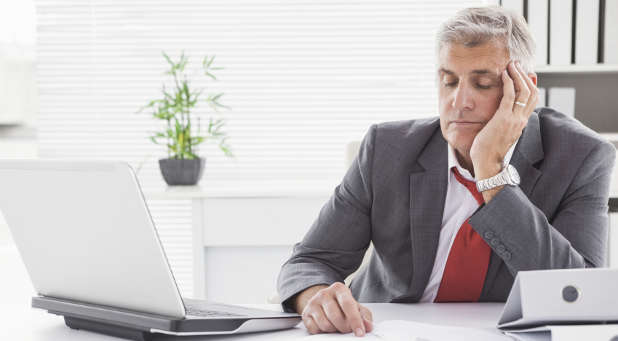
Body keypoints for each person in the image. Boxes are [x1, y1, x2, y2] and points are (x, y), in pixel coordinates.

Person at [277, 5, 616, 337]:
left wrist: (491, 171)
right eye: (449, 81)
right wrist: (316, 298)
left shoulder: (581, 156)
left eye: (482, 84)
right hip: (380, 331)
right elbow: (310, 260)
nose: (459, 101)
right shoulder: (387, 148)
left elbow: (579, 294)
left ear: (523, 91)